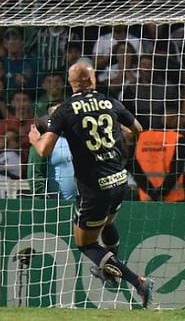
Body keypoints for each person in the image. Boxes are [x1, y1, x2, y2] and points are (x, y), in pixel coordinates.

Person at [28, 61, 154, 308]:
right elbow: (138, 129)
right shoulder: (109, 102)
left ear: (72, 82)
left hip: (94, 187)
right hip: (119, 180)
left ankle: (138, 282)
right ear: (91, 80)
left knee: (86, 244)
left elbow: (44, 150)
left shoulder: (64, 110)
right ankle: (110, 270)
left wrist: (34, 138)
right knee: (108, 223)